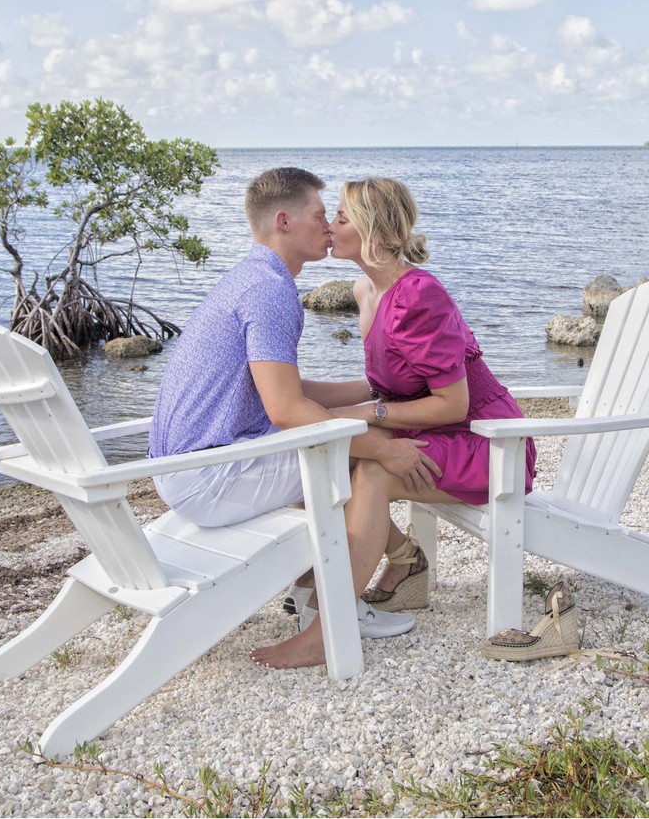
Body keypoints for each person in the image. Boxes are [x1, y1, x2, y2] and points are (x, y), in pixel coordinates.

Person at [249, 177, 544, 670]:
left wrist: (369, 415)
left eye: (340, 218)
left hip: (486, 442)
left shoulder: (418, 296)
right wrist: (289, 397)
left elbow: (452, 403)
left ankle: (328, 630)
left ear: (375, 233)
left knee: (375, 468)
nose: (328, 226)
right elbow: (385, 387)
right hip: (435, 431)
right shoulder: (366, 289)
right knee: (328, 450)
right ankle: (378, 566)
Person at [149, 167, 440, 643]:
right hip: (210, 478)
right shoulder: (270, 291)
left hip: (184, 469)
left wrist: (371, 390)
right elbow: (286, 409)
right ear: (283, 221)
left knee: (339, 443)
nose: (328, 226)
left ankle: (320, 587)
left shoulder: (250, 277)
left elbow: (286, 388)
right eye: (320, 215)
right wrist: (382, 449)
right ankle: (337, 603)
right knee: (355, 455)